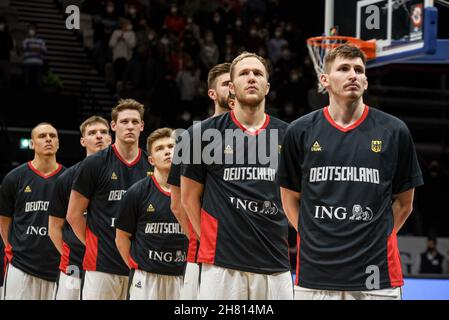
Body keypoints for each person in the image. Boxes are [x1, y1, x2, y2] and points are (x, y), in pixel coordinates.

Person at [278, 45, 424, 300]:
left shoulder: (394, 130)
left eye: (359, 69)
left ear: (366, 81)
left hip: (377, 272)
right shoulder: (299, 131)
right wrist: (313, 235)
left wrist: (376, 236)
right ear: (324, 80)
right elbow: (289, 198)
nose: (353, 75)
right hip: (317, 271)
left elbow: (404, 204)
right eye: (344, 69)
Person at [180, 52, 293, 300]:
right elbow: (188, 200)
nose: (251, 78)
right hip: (221, 264)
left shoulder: (289, 135)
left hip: (274, 260)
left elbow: (299, 197)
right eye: (244, 73)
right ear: (231, 87)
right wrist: (210, 242)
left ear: (267, 87)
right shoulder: (200, 134)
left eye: (258, 74)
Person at [67, 99, 152, 300]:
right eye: (124, 122)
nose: (129, 126)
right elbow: (73, 215)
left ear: (142, 126)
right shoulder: (94, 164)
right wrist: (95, 243)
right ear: (113, 126)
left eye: (134, 121)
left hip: (141, 265)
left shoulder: (151, 165)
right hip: (101, 265)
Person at [168, 62, 232, 300]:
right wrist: (204, 238)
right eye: (226, 84)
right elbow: (178, 203)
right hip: (207, 252)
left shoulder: (258, 135)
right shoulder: (194, 137)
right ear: (212, 94)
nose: (233, 89)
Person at [116, 128, 187, 299]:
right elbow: (122, 237)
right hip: (146, 277)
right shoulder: (137, 192)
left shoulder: (192, 191)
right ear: (151, 160)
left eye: (171, 146)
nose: (167, 151)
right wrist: (136, 266)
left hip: (182, 276)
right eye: (159, 148)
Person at [48, 116, 111, 300]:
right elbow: (54, 228)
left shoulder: (125, 173)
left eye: (103, 132)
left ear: (110, 138)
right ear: (83, 141)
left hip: (112, 262)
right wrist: (72, 252)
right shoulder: (66, 178)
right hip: (74, 262)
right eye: (92, 133)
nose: (99, 136)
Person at [0, 123, 64, 299]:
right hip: (21, 266)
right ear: (32, 143)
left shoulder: (69, 179)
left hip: (58, 266)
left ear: (58, 143)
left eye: (52, 135)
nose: (48, 139)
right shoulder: (14, 178)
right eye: (42, 136)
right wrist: (11, 246)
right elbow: (4, 220)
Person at [22, 23, 46, 90]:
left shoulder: (41, 41)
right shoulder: (25, 40)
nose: (31, 30)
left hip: (38, 63)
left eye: (32, 29)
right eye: (30, 29)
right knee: (27, 82)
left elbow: (44, 50)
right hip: (28, 63)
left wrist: (32, 48)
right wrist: (37, 49)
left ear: (36, 30)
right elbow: (25, 49)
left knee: (38, 82)